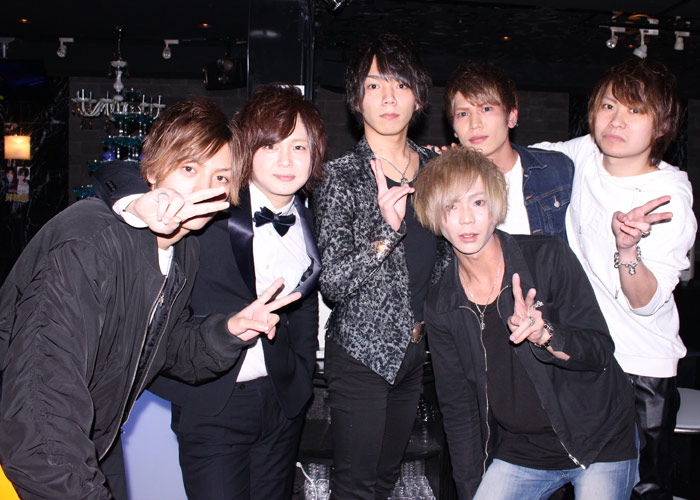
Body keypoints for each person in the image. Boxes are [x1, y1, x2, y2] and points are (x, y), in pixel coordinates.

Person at [0, 97, 301, 499]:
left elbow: (166, 347)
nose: (204, 188)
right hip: (30, 456)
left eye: (220, 177)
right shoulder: (91, 244)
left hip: (92, 439)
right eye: (189, 168)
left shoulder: (182, 252)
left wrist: (228, 332)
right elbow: (41, 408)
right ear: (153, 171)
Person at [93, 83, 326, 500]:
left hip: (282, 402)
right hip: (213, 403)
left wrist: (301, 374)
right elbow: (116, 174)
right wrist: (139, 201)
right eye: (271, 146)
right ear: (247, 149)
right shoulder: (214, 201)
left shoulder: (308, 218)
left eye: (299, 147)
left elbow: (304, 305)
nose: (286, 161)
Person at [414, 147, 638, 500]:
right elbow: (459, 410)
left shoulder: (547, 257)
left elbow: (599, 351)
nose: (467, 219)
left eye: (477, 202)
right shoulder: (442, 303)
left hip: (598, 437)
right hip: (523, 450)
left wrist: (546, 335)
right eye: (451, 207)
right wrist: (472, 490)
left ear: (495, 207)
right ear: (434, 216)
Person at [531, 58, 697, 500]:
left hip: (639, 367)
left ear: (662, 126)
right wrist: (462, 156)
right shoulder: (585, 152)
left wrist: (627, 250)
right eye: (608, 106)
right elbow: (521, 163)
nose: (616, 121)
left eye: (635, 110)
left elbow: (646, 302)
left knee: (642, 490)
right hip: (584, 354)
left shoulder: (668, 198)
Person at [312, 34, 451, 500]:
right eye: (375, 85)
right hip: (361, 355)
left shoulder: (436, 170)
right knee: (355, 486)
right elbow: (332, 282)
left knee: (387, 480)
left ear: (419, 98)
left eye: (400, 84)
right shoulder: (341, 176)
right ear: (357, 100)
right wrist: (386, 235)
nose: (389, 97)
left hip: (415, 353)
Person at [439, 61, 573, 240]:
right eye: (463, 114)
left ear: (511, 117)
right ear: (454, 129)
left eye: (486, 109)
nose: (475, 124)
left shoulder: (555, 170)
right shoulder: (442, 184)